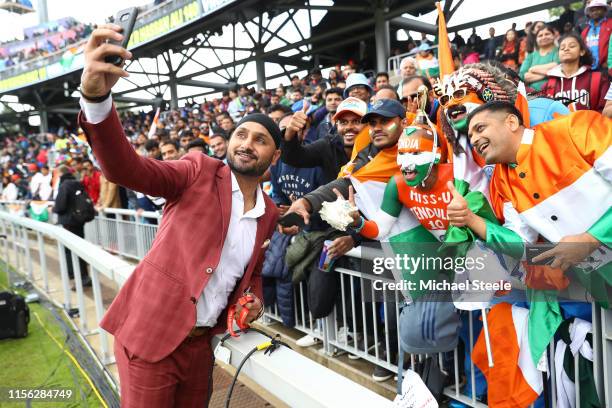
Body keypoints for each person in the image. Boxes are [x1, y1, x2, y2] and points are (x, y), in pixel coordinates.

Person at [78, 23, 281, 407]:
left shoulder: (268, 213)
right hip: (150, 338)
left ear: (276, 156)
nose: (247, 144)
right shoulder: (197, 170)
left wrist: (253, 300)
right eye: (241, 134)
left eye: (261, 139)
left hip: (201, 347)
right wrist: (96, 99)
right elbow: (127, 170)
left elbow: (251, 273)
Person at [455, 101, 611, 299]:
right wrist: (471, 219)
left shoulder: (575, 128)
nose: (475, 140)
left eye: (480, 128)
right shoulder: (501, 180)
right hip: (602, 287)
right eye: (470, 136)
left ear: (511, 122)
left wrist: (592, 239)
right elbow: (523, 245)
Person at [281, 97, 367, 183]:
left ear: (368, 125)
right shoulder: (328, 144)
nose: (349, 127)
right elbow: (292, 158)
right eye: (343, 122)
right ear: (336, 125)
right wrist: (290, 132)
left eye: (356, 121)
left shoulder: (376, 147)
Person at [544, 33, 608, 111]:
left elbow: (605, 112)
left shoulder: (598, 79)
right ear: (558, 55)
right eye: (562, 48)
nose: (566, 49)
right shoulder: (548, 85)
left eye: (572, 46)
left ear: (582, 51)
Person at [52, 165, 91, 288]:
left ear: (60, 174)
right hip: (79, 221)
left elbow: (60, 206)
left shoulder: (64, 185)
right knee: (80, 249)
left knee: (70, 252)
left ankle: (78, 279)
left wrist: (54, 208)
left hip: (69, 222)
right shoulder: (77, 183)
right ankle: (84, 277)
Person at [520, 25, 560, 91]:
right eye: (540, 35)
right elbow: (522, 76)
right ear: (536, 39)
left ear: (554, 35)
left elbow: (559, 67)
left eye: (547, 34)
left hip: (556, 91)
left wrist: (533, 69)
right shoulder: (531, 56)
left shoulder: (559, 51)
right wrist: (550, 74)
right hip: (533, 94)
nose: (544, 37)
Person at [581, 0, 611, 72]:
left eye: (598, 9)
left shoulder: (610, 24)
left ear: (604, 10)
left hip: (606, 68)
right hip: (589, 68)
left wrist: (608, 63)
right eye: (592, 10)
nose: (594, 12)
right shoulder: (585, 31)